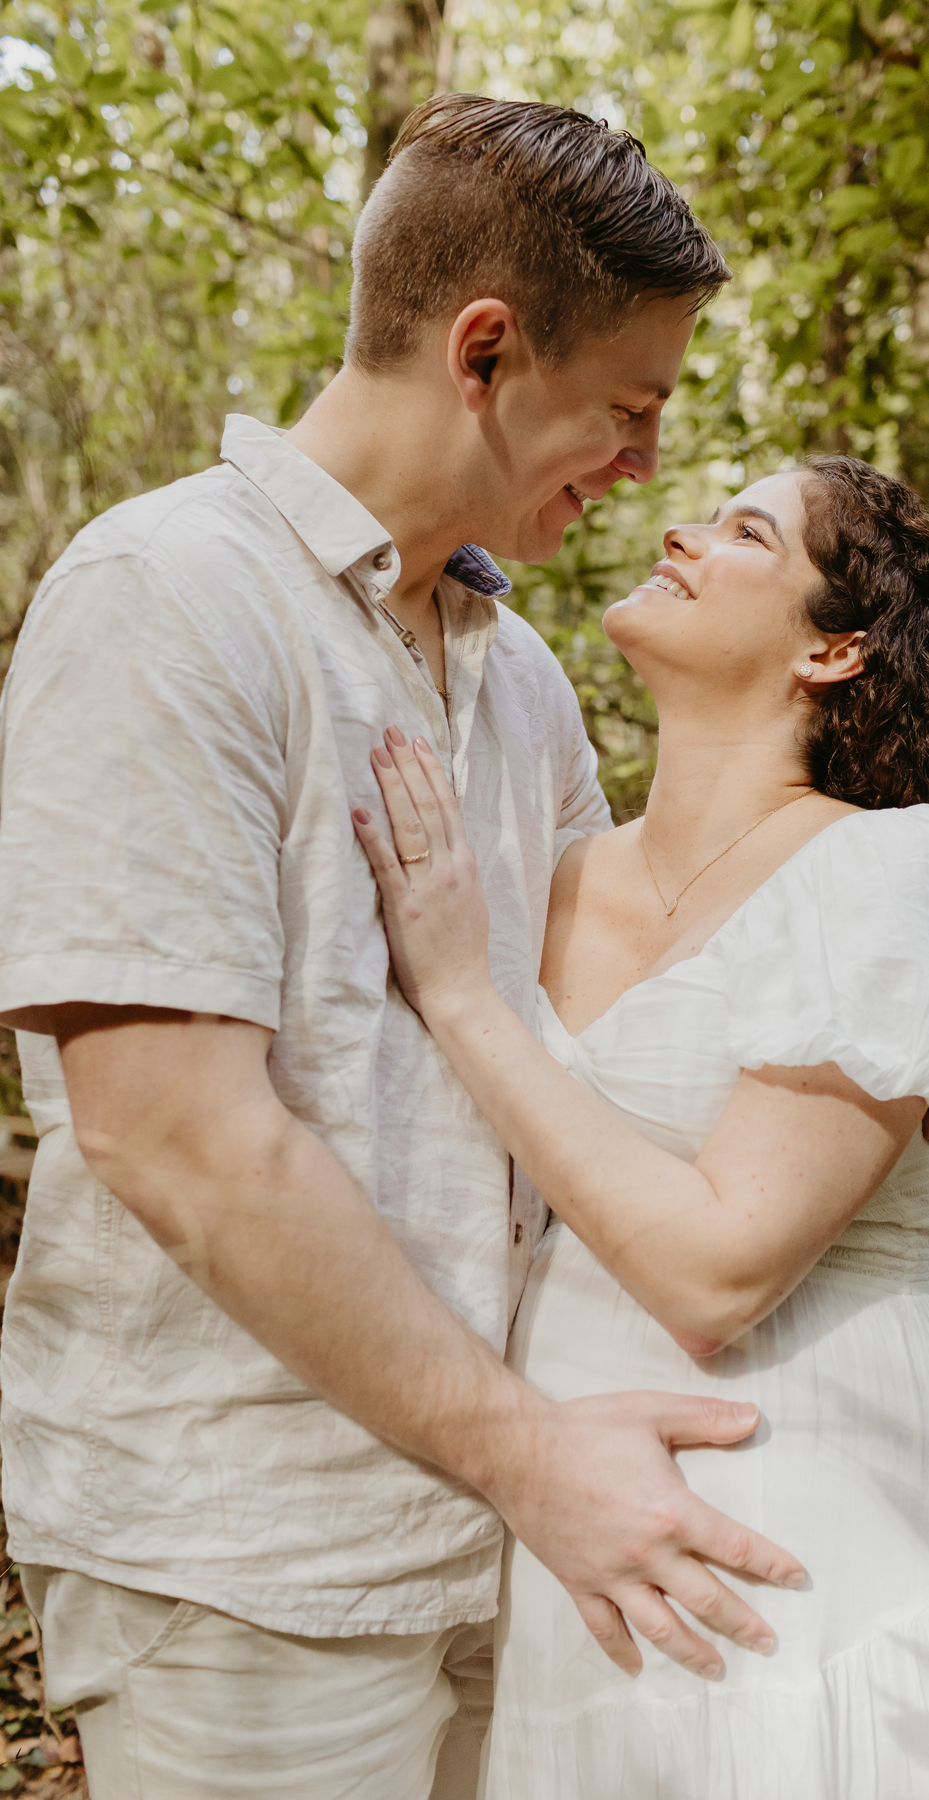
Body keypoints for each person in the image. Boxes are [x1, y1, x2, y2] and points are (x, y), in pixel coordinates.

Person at [0, 96, 807, 1800]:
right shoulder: (168, 597)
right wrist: (536, 1461)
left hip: (511, 1540)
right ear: (487, 351)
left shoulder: (513, 673)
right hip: (258, 1564)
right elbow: (178, 1140)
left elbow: (600, 1047)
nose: (648, 467)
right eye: (630, 410)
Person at [354, 454, 929, 1799]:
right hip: (573, 1516)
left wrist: (468, 1000)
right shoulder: (547, 874)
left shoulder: (900, 874)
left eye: (744, 529)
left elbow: (721, 1275)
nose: (682, 529)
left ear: (830, 649)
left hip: (820, 1495)